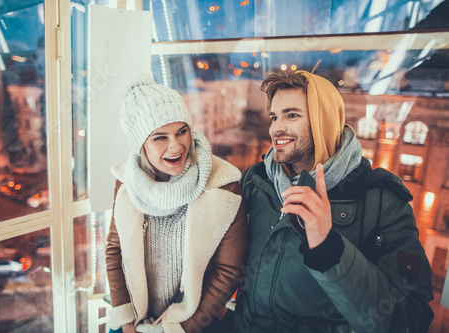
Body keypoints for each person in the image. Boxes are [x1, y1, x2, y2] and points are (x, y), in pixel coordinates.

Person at [233, 70, 434, 332]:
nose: (276, 128)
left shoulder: (381, 200)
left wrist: (328, 248)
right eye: (274, 116)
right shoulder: (257, 180)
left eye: (292, 115)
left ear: (322, 121)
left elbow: (410, 320)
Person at [106, 73, 248, 333]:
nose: (176, 146)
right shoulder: (126, 182)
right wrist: (126, 321)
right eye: (160, 137)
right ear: (141, 144)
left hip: (199, 323)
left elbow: (228, 270)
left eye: (181, 132)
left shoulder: (224, 184)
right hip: (138, 321)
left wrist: (179, 327)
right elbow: (116, 250)